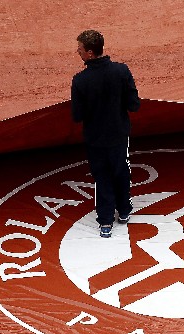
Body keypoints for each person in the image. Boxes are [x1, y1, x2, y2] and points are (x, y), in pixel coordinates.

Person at [71, 29, 141, 238]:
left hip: (95, 140)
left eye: (81, 49)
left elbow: (77, 116)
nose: (78, 52)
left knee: (102, 178)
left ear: (90, 53)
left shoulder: (80, 81)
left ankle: (105, 222)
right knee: (121, 171)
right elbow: (134, 105)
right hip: (119, 135)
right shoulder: (121, 71)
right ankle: (125, 211)